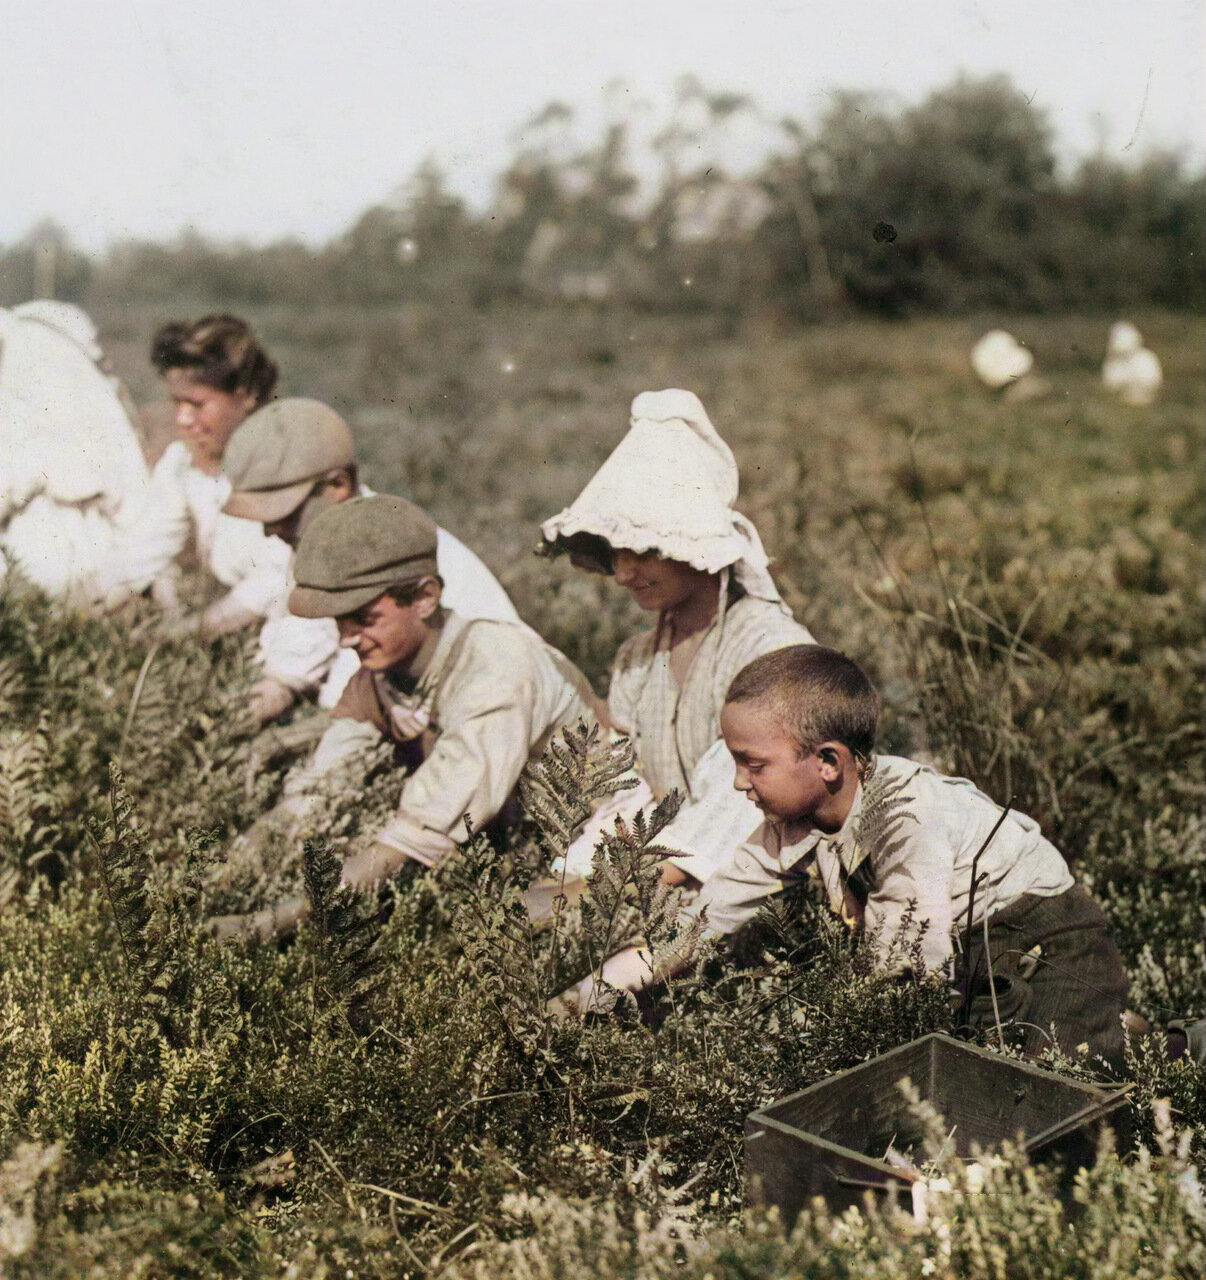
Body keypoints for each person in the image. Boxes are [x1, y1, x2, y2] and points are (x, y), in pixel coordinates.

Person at [670, 644, 1127, 1071]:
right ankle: (1114, 1029)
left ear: (828, 762)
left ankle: (1164, 1040)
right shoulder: (795, 817)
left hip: (1044, 936)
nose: (738, 783)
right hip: (963, 950)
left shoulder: (904, 813)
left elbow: (908, 955)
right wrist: (607, 987)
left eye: (753, 764)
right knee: (971, 1073)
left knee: (1044, 1087)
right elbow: (708, 916)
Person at [216, 493, 597, 936]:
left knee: (478, 935)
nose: (347, 639)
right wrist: (232, 864)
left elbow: (415, 836)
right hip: (518, 841)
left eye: (364, 618)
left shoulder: (495, 667)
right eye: (340, 622)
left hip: (604, 845)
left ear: (425, 598)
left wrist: (265, 925)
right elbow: (320, 787)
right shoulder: (381, 675)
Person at [539, 388, 815, 889]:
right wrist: (581, 880)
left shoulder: (769, 649)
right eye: (614, 551)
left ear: (694, 544)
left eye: (644, 549)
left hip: (766, 875)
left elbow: (747, 804)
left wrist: (621, 888)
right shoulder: (637, 661)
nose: (624, 572)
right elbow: (628, 794)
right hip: (668, 874)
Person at [218, 397, 520, 725]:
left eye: (285, 515)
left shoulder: (388, 553)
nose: (270, 530)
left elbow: (352, 705)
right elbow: (303, 643)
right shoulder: (326, 546)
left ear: (338, 485)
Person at [90, 314, 292, 632]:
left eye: (198, 405)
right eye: (177, 402)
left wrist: (189, 632)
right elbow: (145, 549)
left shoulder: (287, 463)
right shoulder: (182, 464)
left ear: (247, 395)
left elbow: (275, 581)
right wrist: (82, 609)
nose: (183, 418)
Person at [0, 302, 149, 600]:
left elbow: (19, 469)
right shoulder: (37, 336)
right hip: (115, 528)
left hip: (67, 533)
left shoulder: (30, 355)